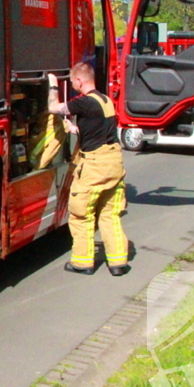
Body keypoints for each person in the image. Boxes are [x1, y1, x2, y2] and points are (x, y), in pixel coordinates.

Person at [48, 63, 130, 277]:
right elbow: (99, 127)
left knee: (81, 215)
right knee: (110, 215)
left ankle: (83, 263)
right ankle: (118, 263)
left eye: (73, 81)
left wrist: (53, 85)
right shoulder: (105, 101)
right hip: (114, 164)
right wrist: (76, 128)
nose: (73, 85)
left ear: (79, 81)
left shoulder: (84, 102)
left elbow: (53, 108)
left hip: (95, 166)